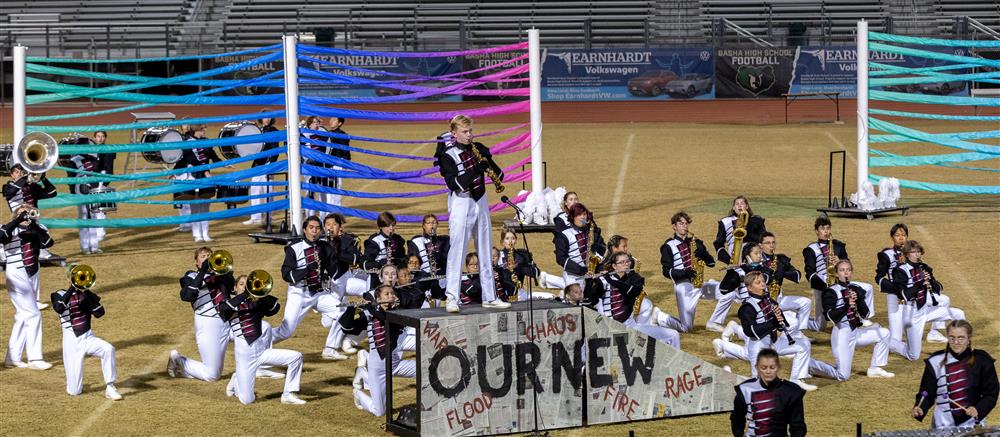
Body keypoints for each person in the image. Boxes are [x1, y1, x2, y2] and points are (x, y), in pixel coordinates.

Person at [438, 114, 509, 313]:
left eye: (471, 131)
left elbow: (501, 175)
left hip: (481, 199)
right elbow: (455, 184)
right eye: (465, 132)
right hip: (462, 201)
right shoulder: (447, 155)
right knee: (457, 249)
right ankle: (452, 297)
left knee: (485, 248)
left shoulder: (479, 148)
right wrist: (476, 168)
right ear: (454, 133)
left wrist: (489, 163)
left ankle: (490, 296)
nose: (469, 135)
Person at [737, 271, 833, 392]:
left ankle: (796, 380)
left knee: (803, 345)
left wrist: (781, 320)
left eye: (763, 281)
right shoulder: (747, 307)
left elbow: (781, 324)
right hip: (758, 346)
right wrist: (773, 323)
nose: (763, 285)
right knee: (760, 385)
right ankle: (737, 380)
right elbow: (750, 331)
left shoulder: (768, 300)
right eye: (758, 282)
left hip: (774, 342)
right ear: (749, 288)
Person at [221, 275, 306, 405]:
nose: (245, 287)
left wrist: (260, 294)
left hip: (261, 352)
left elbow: (275, 308)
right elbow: (224, 310)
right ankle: (237, 377)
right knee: (247, 400)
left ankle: (289, 394)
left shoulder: (257, 303)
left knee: (296, 357)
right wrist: (244, 295)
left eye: (247, 284)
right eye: (242, 284)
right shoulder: (229, 304)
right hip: (245, 358)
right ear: (234, 288)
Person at [340, 284, 415, 416]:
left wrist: (370, 307)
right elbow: (347, 327)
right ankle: (358, 392)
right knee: (379, 411)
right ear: (378, 299)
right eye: (387, 294)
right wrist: (352, 308)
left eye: (392, 293)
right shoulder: (369, 315)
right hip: (378, 367)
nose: (391, 296)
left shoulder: (398, 312)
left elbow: (385, 318)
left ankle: (363, 373)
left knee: (425, 369)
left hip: (395, 363)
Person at [50, 270, 121, 400]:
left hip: (88, 337)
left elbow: (100, 313)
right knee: (74, 391)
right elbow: (58, 308)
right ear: (69, 279)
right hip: (71, 343)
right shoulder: (59, 294)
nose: (79, 279)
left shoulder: (88, 296)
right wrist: (73, 287)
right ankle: (75, 386)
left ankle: (110, 387)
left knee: (108, 349)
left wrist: (86, 290)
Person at [274, 216, 343, 348]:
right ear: (304, 229)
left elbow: (333, 271)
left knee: (342, 311)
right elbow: (286, 275)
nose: (314, 231)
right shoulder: (294, 248)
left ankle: (330, 348)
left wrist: (332, 255)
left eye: (317, 228)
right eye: (311, 228)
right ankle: (260, 341)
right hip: (299, 293)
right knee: (286, 332)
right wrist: (307, 269)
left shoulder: (324, 246)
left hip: (318, 293)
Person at [913, 320, 997, 428]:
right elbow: (926, 393)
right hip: (942, 423)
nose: (956, 342)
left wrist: (978, 409)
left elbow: (991, 393)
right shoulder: (935, 361)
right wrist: (920, 408)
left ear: (969, 339)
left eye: (961, 338)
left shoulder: (982, 361)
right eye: (952, 338)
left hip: (971, 423)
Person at [167, 247, 235, 381]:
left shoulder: (222, 274)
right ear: (196, 262)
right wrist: (204, 270)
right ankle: (178, 360)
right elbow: (187, 295)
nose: (208, 258)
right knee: (212, 375)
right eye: (203, 256)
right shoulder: (190, 276)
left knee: (259, 333)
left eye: (210, 255)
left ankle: (262, 367)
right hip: (208, 323)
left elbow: (231, 286)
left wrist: (223, 273)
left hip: (229, 319)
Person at [891, 240, 966, 361]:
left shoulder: (924, 268)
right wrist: (920, 283)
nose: (917, 254)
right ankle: (890, 342)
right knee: (913, 356)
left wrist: (930, 280)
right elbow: (904, 295)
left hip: (925, 309)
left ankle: (959, 349)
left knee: (959, 314)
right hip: (911, 314)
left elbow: (938, 289)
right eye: (913, 252)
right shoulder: (900, 271)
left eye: (918, 251)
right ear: (906, 254)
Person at [822, 259, 896, 380]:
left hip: (855, 332)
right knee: (843, 375)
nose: (846, 273)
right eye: (842, 270)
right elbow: (829, 317)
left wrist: (859, 301)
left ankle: (875, 368)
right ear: (836, 274)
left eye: (848, 270)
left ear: (851, 272)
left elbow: (866, 314)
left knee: (884, 333)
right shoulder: (830, 292)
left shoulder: (856, 289)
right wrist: (846, 305)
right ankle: (810, 365)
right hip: (842, 335)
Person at [588, 252, 680, 347]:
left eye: (627, 261)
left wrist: (612, 281)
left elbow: (632, 292)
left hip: (630, 326)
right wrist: (589, 282)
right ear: (614, 266)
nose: (626, 264)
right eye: (622, 262)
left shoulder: (634, 278)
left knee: (673, 335)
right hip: (608, 329)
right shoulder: (602, 281)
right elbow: (592, 300)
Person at [1, 205, 54, 370]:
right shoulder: (9, 229)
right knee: (33, 314)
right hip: (16, 272)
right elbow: (1, 237)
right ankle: (34, 358)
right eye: (21, 212)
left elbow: (48, 242)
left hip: (30, 274)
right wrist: (18, 219)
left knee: (23, 315)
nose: (25, 215)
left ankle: (13, 357)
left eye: (27, 212)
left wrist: (34, 224)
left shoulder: (36, 229)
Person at [659, 211, 716, 332]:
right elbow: (666, 271)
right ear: (674, 226)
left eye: (686, 224)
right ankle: (659, 317)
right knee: (686, 328)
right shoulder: (669, 245)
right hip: (682, 285)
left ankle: (715, 323)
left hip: (698, 283)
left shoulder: (695, 243)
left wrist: (703, 254)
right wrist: (684, 273)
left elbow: (712, 263)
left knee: (726, 293)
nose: (684, 226)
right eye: (681, 223)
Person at [731, 348, 806, 437]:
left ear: (778, 367)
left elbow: (798, 426)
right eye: (763, 368)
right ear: (757, 368)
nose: (768, 371)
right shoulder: (745, 389)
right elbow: (737, 418)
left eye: (772, 367)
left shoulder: (791, 391)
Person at [802, 215, 849, 332]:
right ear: (816, 231)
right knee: (820, 326)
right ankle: (798, 319)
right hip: (822, 284)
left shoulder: (838, 246)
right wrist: (825, 286)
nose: (826, 231)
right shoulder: (811, 249)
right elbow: (810, 272)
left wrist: (840, 262)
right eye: (822, 228)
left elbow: (848, 265)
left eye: (828, 228)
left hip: (839, 283)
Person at [707, 244, 768, 332]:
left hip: (760, 300)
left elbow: (764, 276)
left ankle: (712, 284)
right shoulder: (740, 271)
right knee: (729, 294)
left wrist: (745, 269)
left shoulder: (764, 268)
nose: (760, 256)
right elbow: (724, 290)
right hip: (748, 302)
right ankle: (717, 323)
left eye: (760, 253)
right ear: (748, 257)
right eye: (756, 254)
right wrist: (730, 273)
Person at [177, 124, 222, 242]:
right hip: (194, 177)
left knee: (205, 206)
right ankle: (197, 234)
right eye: (203, 129)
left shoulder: (206, 141)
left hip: (205, 177)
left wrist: (223, 163)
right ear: (197, 130)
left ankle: (206, 234)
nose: (205, 130)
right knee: (195, 207)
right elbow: (187, 160)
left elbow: (213, 155)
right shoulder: (188, 143)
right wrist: (174, 172)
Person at [760, 232, 811, 333]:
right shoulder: (756, 259)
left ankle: (801, 333)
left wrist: (782, 271)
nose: (771, 245)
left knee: (806, 302)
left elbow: (797, 276)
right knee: (790, 323)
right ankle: (735, 328)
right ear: (760, 245)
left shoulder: (780, 259)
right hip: (763, 301)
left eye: (773, 243)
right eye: (768, 243)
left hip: (777, 299)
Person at [554, 203, 605, 293]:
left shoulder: (591, 231)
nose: (582, 217)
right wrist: (581, 270)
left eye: (584, 214)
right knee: (575, 302)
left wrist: (596, 241)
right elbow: (561, 258)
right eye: (578, 215)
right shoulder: (564, 234)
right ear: (572, 217)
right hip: (573, 276)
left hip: (591, 274)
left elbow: (602, 249)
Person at [498, 228, 557, 300]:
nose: (510, 241)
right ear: (502, 241)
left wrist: (520, 268)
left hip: (520, 293)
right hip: (502, 294)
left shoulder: (522, 254)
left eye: (513, 238)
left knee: (551, 296)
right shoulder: (498, 256)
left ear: (516, 240)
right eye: (507, 238)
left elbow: (536, 272)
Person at [243, 113, 281, 225]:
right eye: (265, 117)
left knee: (268, 191)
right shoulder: (257, 130)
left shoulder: (274, 131)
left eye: (269, 117)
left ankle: (269, 216)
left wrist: (271, 165)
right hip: (257, 165)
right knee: (255, 190)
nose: (267, 119)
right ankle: (255, 217)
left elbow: (275, 149)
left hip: (267, 165)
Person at [66, 151, 105, 254]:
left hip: (93, 189)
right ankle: (85, 247)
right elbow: (71, 178)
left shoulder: (94, 159)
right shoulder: (73, 161)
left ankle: (94, 246)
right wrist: (73, 192)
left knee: (93, 217)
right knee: (84, 217)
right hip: (81, 189)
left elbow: (99, 173)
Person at [714, 196, 767, 265]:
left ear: (747, 206)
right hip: (735, 254)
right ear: (733, 208)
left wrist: (747, 222)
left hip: (754, 253)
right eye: (737, 204)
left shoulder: (756, 220)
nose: (739, 205)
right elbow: (718, 243)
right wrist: (727, 259)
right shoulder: (725, 222)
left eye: (742, 203)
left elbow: (764, 240)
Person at [362, 212, 407, 289]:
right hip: (377, 279)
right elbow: (365, 263)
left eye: (393, 225)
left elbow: (403, 258)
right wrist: (381, 263)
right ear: (380, 227)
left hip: (395, 278)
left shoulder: (397, 239)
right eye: (388, 226)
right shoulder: (374, 241)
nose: (391, 228)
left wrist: (397, 261)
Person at [406, 214, 448, 281]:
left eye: (434, 222)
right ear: (423, 226)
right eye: (428, 223)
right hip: (423, 277)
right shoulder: (416, 241)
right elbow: (412, 262)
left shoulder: (444, 240)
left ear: (437, 225)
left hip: (442, 276)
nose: (431, 225)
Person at [323, 117, 351, 208]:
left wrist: (346, 164)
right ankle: (330, 208)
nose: (331, 121)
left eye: (334, 120)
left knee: (336, 188)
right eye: (330, 119)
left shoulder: (342, 135)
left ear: (339, 123)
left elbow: (345, 150)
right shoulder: (328, 133)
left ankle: (336, 210)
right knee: (328, 188)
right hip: (327, 164)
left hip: (336, 164)